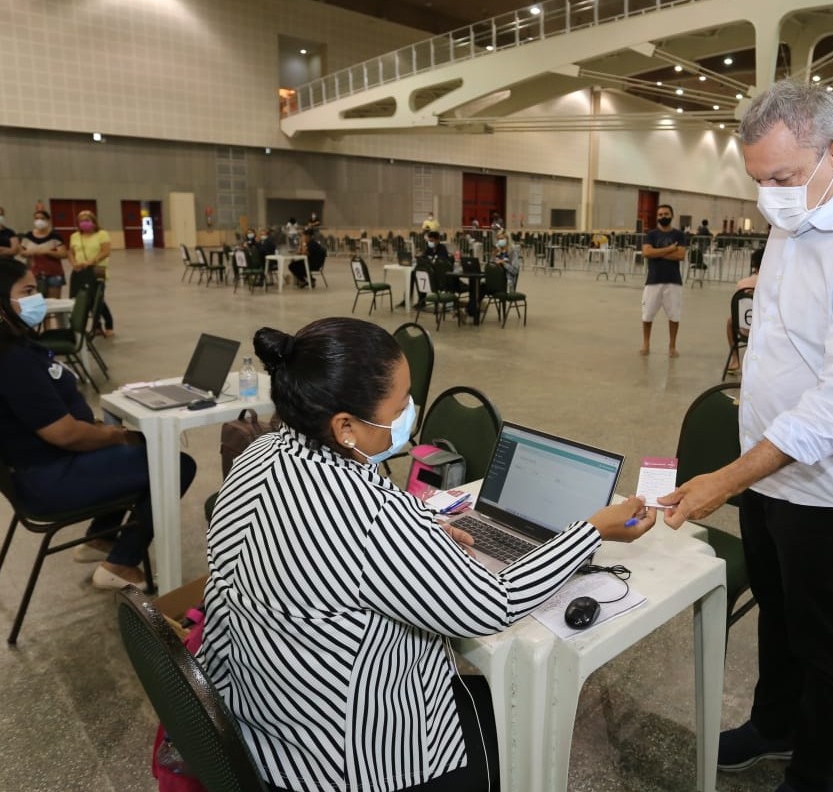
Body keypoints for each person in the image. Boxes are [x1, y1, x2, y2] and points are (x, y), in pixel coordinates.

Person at [197, 319, 655, 792]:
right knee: (525, 717)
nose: (409, 413)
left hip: (265, 722)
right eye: (400, 404)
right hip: (346, 758)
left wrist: (417, 535)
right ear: (346, 426)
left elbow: (333, 544)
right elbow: (494, 603)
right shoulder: (369, 518)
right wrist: (591, 530)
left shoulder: (262, 453)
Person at [658, 80, 833, 792]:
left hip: (829, 489)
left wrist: (726, 478)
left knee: (822, 636)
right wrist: (748, 470)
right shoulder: (794, 218)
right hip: (768, 475)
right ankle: (773, 724)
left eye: (780, 178)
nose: (768, 196)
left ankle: (816, 770)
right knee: (776, 616)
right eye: (757, 181)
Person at [0, 259, 196, 589]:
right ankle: (121, 564)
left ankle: (102, 539)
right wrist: (116, 436)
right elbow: (64, 434)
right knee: (174, 464)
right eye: (26, 292)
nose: (36, 298)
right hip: (48, 479)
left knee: (145, 451)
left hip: (40, 468)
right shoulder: (9, 360)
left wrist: (107, 433)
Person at [640, 203, 686, 357]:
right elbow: (646, 252)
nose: (663, 217)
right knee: (647, 315)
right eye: (660, 215)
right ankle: (646, 343)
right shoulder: (651, 234)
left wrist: (657, 253)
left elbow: (680, 256)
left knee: (674, 315)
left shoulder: (679, 235)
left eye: (666, 214)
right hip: (653, 280)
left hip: (673, 281)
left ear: (671, 216)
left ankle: (672, 346)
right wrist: (670, 249)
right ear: (657, 217)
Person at [69, 210, 113, 336]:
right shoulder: (75, 236)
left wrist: (91, 262)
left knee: (96, 299)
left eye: (87, 220)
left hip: (97, 269)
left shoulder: (102, 234)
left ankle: (109, 324)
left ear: (93, 222)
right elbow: (70, 252)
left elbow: (106, 251)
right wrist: (74, 263)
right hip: (79, 270)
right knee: (83, 299)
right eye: (81, 221)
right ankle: (96, 327)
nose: (84, 223)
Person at [726, 247, 764, 372]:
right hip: (763, 330)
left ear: (753, 264)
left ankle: (735, 359)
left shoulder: (742, 283)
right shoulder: (772, 283)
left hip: (743, 328)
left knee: (730, 321)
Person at [22, 210, 69, 298]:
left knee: (53, 303)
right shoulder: (28, 236)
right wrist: (30, 252)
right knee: (36, 302)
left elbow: (63, 254)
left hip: (54, 273)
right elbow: (22, 252)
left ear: (48, 220)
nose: (39, 221)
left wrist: (47, 251)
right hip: (34, 273)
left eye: (42, 218)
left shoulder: (55, 236)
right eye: (36, 218)